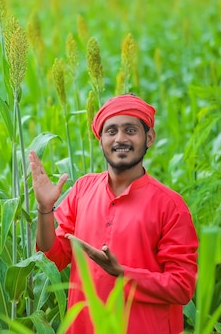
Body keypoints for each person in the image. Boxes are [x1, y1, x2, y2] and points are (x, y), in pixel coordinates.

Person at [30, 93, 198, 334]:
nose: (120, 138)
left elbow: (182, 287)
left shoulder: (170, 205)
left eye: (130, 130)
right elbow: (53, 256)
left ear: (149, 138)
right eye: (111, 131)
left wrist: (123, 273)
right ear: (100, 140)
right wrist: (45, 209)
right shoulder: (82, 190)